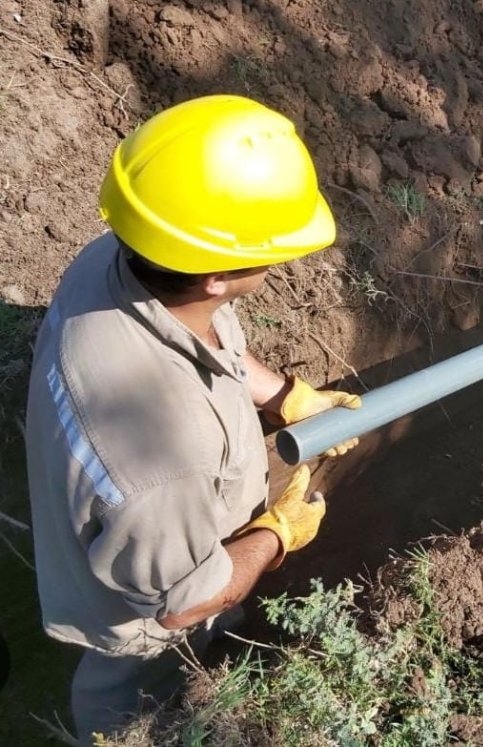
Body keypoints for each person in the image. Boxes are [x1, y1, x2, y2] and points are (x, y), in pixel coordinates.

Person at [25, 95, 361, 744]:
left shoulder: (117, 260)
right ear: (215, 274)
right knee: (127, 684)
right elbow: (182, 602)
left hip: (144, 523)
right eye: (270, 249)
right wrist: (276, 533)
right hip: (142, 607)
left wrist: (286, 395)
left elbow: (207, 342)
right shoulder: (165, 463)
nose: (279, 259)